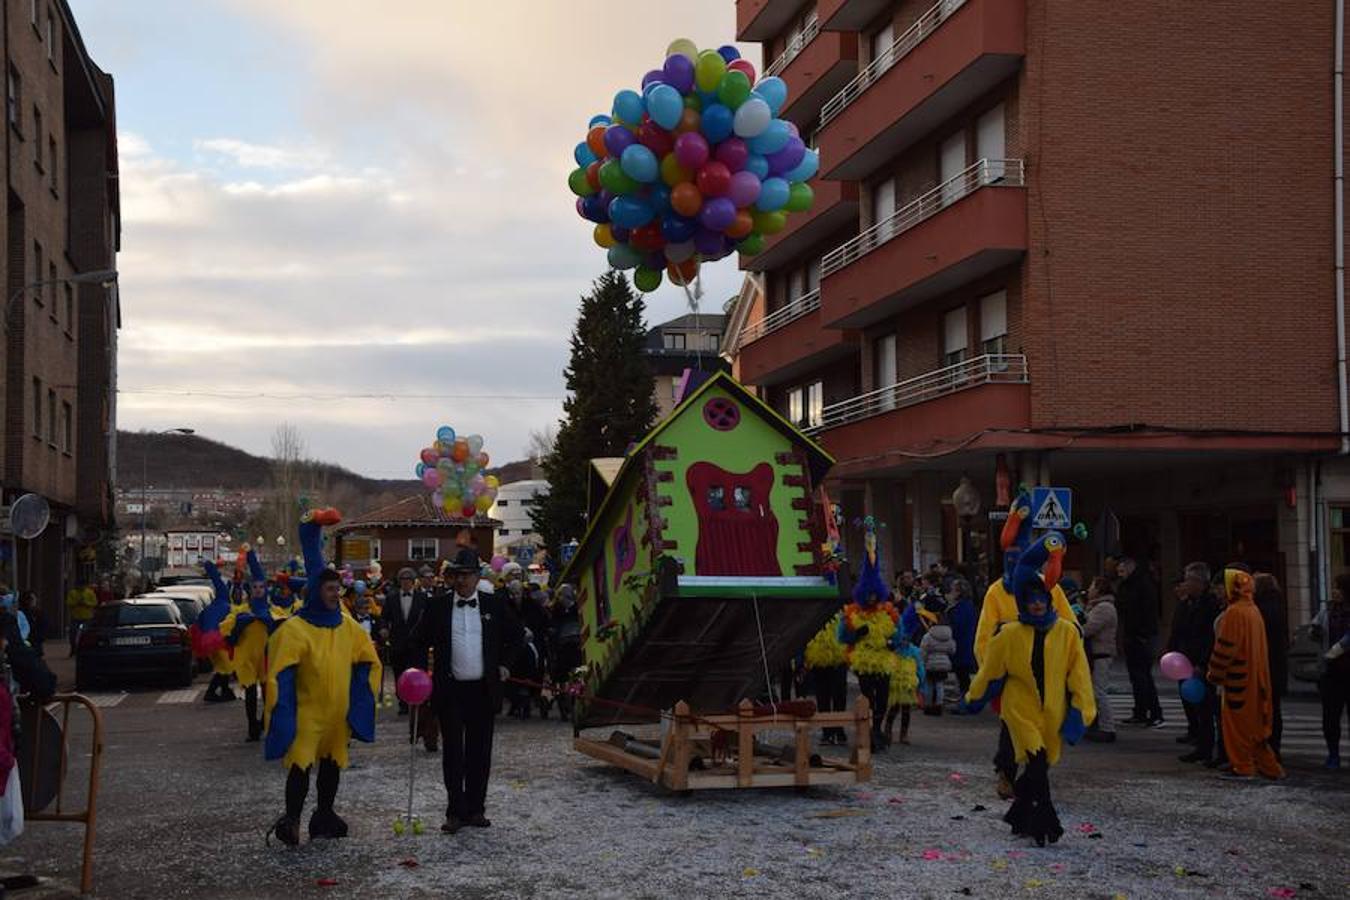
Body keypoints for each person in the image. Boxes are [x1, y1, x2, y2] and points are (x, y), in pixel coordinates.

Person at [966, 531, 1096, 847]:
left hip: (1051, 709)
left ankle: (1019, 812)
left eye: (1042, 600)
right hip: (1019, 705)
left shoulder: (1065, 632)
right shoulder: (1009, 630)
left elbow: (1079, 674)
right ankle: (1045, 824)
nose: (1037, 605)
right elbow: (990, 656)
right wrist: (977, 693)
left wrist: (1082, 710)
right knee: (1033, 759)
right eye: (1031, 600)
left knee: (1042, 764)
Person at [264, 509, 381, 846]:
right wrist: (281, 712)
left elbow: (369, 661)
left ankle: (324, 814)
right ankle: (292, 819)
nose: (335, 594)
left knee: (331, 767)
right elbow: (280, 675)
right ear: (317, 591)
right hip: (307, 714)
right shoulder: (296, 630)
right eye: (330, 589)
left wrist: (361, 700)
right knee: (301, 767)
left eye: (337, 589)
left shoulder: (347, 626)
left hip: (336, 717)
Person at [410, 547, 524, 834]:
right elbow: (418, 641)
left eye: (467, 575)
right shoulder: (438, 606)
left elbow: (517, 636)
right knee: (453, 754)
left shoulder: (494, 604)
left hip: (483, 691)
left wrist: (505, 665)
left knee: (479, 752)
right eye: (457, 575)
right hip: (450, 691)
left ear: (477, 577)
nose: (461, 581)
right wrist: (422, 673)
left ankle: (476, 809)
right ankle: (455, 811)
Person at [975, 491, 1076, 800]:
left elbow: (1071, 626)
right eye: (1010, 559)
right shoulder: (996, 592)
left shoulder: (1049, 589)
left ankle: (1035, 776)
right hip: (1013, 674)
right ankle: (1005, 773)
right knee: (1010, 728)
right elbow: (984, 635)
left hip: (1045, 673)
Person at [1206, 568, 1283, 781]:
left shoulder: (1234, 613)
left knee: (1237, 729)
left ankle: (1243, 766)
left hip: (1238, 680)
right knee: (1256, 730)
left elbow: (1225, 648)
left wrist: (1214, 673)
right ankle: (1270, 767)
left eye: (1221, 587)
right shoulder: (1253, 610)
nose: (1218, 592)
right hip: (1256, 678)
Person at [838, 519, 899, 750]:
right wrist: (857, 634)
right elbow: (843, 638)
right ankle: (868, 731)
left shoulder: (889, 612)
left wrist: (894, 642)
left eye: (876, 594)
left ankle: (877, 729)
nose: (873, 598)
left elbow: (900, 634)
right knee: (867, 698)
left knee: (882, 698)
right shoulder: (853, 613)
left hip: (883, 660)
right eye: (869, 594)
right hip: (863, 661)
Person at [217, 549, 277, 742]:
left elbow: (283, 631)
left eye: (261, 587)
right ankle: (252, 727)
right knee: (250, 694)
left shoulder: (273, 611)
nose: (258, 590)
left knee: (269, 694)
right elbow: (227, 635)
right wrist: (240, 626)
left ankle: (264, 724)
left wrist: (269, 622)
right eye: (255, 587)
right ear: (250, 590)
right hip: (247, 659)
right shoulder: (241, 612)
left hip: (267, 658)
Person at [1168, 562, 1222, 764]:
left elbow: (1209, 637)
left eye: (1189, 580)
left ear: (1200, 582)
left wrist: (1202, 662)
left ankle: (1209, 747)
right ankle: (1201, 744)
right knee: (1194, 705)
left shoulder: (1210, 604)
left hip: (1201, 662)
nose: (1186, 584)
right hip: (1184, 660)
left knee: (1207, 707)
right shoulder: (1186, 603)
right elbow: (1178, 629)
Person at [1115, 556, 1163, 727]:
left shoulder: (1142, 585)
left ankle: (1154, 712)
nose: (1120, 575)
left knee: (1143, 676)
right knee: (1137, 676)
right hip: (1133, 634)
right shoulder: (1128, 585)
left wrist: (1142, 635)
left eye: (1121, 571)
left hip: (1141, 636)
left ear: (1130, 568)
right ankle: (1141, 711)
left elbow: (1145, 611)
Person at [1314, 573, 1350, 768]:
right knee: (1330, 717)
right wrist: (1314, 631)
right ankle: (1333, 754)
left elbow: (1347, 640)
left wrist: (1333, 652)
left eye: (1338, 587)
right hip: (1332, 673)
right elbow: (1316, 627)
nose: (1334, 591)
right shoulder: (1328, 611)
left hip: (1345, 668)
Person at [381, 568, 428, 715]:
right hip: (398, 642)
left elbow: (429, 619)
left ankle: (420, 701)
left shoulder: (423, 597)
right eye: (403, 580)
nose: (405, 583)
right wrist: (383, 628)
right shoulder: (391, 598)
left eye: (408, 580)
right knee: (399, 673)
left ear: (413, 582)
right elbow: (384, 617)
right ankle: (402, 703)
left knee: (419, 672)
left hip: (418, 643)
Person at [1252, 573, 1287, 757]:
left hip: (1268, 665)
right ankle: (1272, 748)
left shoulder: (1263, 608)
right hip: (1275, 665)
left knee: (1269, 710)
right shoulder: (1276, 605)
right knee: (1272, 709)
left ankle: (1270, 749)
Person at [1081, 576, 1118, 743]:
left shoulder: (1104, 608)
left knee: (1099, 692)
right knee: (1094, 692)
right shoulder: (1096, 606)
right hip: (1095, 653)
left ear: (1099, 589)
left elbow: (1089, 629)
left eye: (1092, 586)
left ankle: (1107, 727)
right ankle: (1096, 724)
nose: (1089, 590)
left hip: (1101, 653)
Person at [803, 613, 849, 745]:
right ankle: (827, 731)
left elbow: (847, 634)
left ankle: (839, 729)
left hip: (838, 660)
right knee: (823, 696)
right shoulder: (813, 616)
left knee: (839, 696)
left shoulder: (842, 615)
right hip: (818, 659)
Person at [919, 598, 955, 716]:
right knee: (940, 685)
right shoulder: (949, 636)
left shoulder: (928, 636)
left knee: (929, 684)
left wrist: (922, 662)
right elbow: (952, 649)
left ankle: (928, 705)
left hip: (931, 663)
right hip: (944, 663)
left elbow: (923, 650)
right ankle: (939, 704)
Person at [887, 635, 923, 745]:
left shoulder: (914, 652)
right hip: (896, 684)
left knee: (906, 710)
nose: (904, 642)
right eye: (902, 639)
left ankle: (903, 734)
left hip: (908, 685)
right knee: (894, 708)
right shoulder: (894, 651)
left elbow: (919, 667)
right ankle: (888, 731)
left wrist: (920, 681)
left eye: (906, 639)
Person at [946, 577, 977, 700]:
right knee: (962, 672)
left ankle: (966, 697)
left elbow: (957, 625)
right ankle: (965, 694)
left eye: (952, 590)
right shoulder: (968, 606)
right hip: (965, 642)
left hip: (961, 643)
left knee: (962, 672)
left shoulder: (960, 608)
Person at [64, 582, 96, 657]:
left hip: (87, 617)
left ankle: (86, 650)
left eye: (82, 585)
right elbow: (69, 602)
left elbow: (94, 602)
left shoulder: (90, 592)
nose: (81, 587)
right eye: (79, 585)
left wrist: (86, 603)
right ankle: (73, 649)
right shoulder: (72, 593)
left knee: (86, 634)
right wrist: (76, 603)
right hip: (75, 617)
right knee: (72, 634)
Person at [18, 593, 43, 658]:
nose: (35, 601)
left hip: (35, 642)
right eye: (33, 599)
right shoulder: (22, 613)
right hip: (29, 641)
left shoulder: (36, 611)